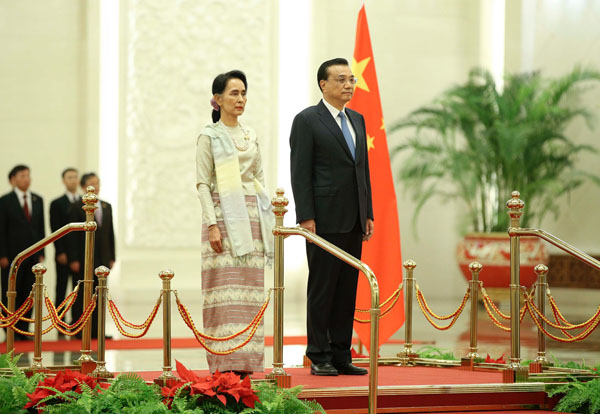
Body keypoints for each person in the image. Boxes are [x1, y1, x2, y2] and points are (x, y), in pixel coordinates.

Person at [289, 58, 374, 376]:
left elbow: (361, 171)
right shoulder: (307, 120)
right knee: (323, 287)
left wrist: (368, 213)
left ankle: (341, 353)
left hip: (353, 219)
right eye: (341, 79)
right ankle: (319, 354)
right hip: (322, 220)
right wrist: (306, 216)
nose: (348, 84)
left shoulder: (358, 119)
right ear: (323, 84)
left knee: (347, 288)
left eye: (351, 79)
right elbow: (301, 171)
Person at [196, 70, 273, 377]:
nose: (240, 99)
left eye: (243, 93)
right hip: (222, 220)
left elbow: (260, 179)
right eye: (233, 93)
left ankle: (248, 363)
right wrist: (212, 225)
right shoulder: (209, 136)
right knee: (224, 293)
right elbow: (202, 184)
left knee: (249, 293)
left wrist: (269, 218)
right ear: (217, 99)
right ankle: (224, 363)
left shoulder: (251, 136)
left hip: (252, 220)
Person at [0, 165, 46, 341]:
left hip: (33, 256)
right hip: (11, 257)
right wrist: (2, 254)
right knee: (11, 293)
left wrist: (41, 252)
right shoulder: (4, 201)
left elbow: (40, 228)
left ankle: (24, 329)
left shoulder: (37, 200)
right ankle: (10, 330)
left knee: (29, 293)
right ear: (13, 179)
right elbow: (1, 230)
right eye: (22, 175)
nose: (27, 178)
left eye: (28, 175)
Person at [67, 172, 115, 338]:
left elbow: (110, 233)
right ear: (84, 187)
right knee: (82, 295)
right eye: (92, 183)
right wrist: (73, 258)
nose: (96, 186)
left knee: (100, 295)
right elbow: (72, 237)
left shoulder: (107, 206)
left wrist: (112, 256)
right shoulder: (76, 207)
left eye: (98, 183)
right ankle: (80, 330)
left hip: (103, 258)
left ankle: (98, 331)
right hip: (83, 259)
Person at [49, 168, 80, 335]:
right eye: (69, 177)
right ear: (63, 180)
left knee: (78, 289)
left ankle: (76, 322)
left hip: (79, 256)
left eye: (75, 177)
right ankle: (60, 323)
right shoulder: (57, 203)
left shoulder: (84, 202)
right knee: (61, 288)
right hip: (63, 254)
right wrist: (60, 251)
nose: (73, 180)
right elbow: (55, 230)